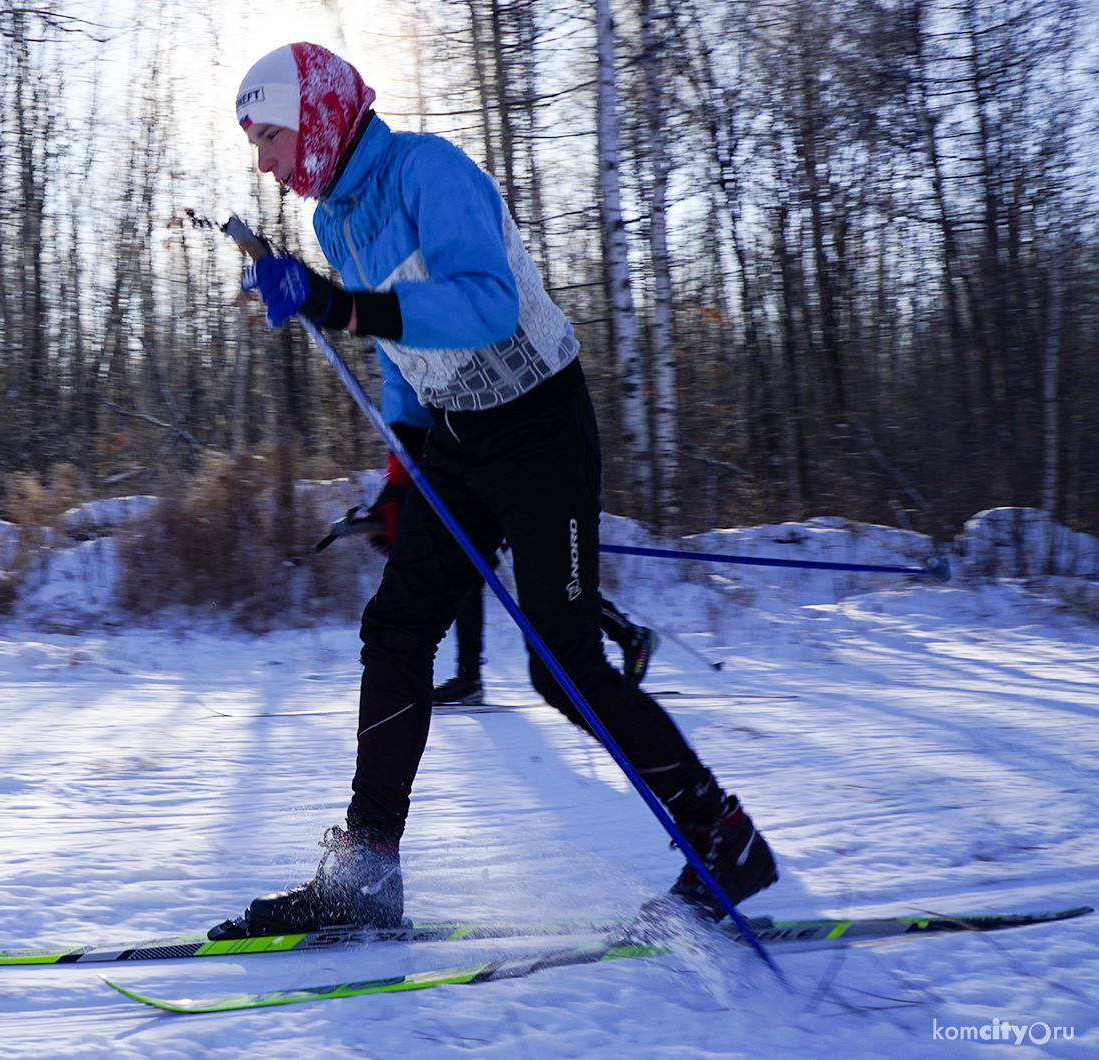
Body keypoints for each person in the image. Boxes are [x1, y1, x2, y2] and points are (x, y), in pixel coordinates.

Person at [210, 42, 775, 939]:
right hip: (454, 440)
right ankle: (364, 876)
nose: (266, 161)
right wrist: (402, 474)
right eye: (256, 144)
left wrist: (338, 307)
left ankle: (725, 840)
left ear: (318, 118)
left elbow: (487, 307)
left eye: (271, 135)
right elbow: (404, 363)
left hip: (541, 427)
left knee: (565, 669)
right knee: (396, 628)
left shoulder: (428, 171)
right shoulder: (334, 226)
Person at [359, 355, 660, 707]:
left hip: (516, 454)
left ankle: (627, 635)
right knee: (473, 572)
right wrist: (399, 479)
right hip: (464, 462)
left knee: (544, 586)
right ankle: (470, 675)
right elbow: (402, 388)